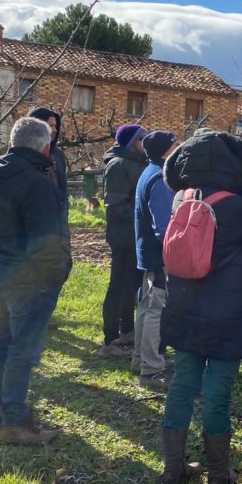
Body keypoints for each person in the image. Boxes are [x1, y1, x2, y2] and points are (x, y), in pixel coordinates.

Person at [159, 131, 242, 484]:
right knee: (218, 390)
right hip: (229, 315)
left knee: (182, 384)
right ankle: (218, 475)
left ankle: (172, 469)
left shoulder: (181, 200)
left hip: (184, 309)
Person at [0, 117, 72, 444]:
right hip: (29, 277)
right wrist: (56, 275)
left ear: (11, 144)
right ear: (46, 148)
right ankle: (14, 423)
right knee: (23, 349)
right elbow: (45, 243)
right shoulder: (39, 184)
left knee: (5, 339)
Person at [132, 130, 178, 390]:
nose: (178, 150)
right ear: (165, 151)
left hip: (146, 251)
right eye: (175, 145)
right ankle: (151, 369)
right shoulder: (160, 179)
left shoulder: (147, 171)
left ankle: (140, 359)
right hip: (157, 253)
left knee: (146, 306)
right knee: (155, 310)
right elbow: (164, 226)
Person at [100, 123, 147, 358]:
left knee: (133, 285)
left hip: (135, 235)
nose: (144, 144)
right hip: (123, 236)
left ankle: (127, 329)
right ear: (131, 142)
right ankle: (109, 339)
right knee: (118, 286)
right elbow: (116, 205)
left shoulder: (135, 163)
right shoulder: (119, 166)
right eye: (141, 140)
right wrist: (142, 218)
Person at [27, 107, 68, 207]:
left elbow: (63, 189)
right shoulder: (25, 154)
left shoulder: (58, 155)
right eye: (50, 126)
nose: (55, 130)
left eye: (55, 126)